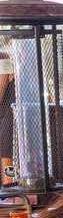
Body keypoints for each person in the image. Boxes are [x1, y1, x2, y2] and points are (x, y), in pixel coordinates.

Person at [0, 51, 15, 187]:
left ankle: (9, 186)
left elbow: (1, 89)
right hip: (6, 113)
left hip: (8, 114)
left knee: (7, 153)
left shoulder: (3, 58)